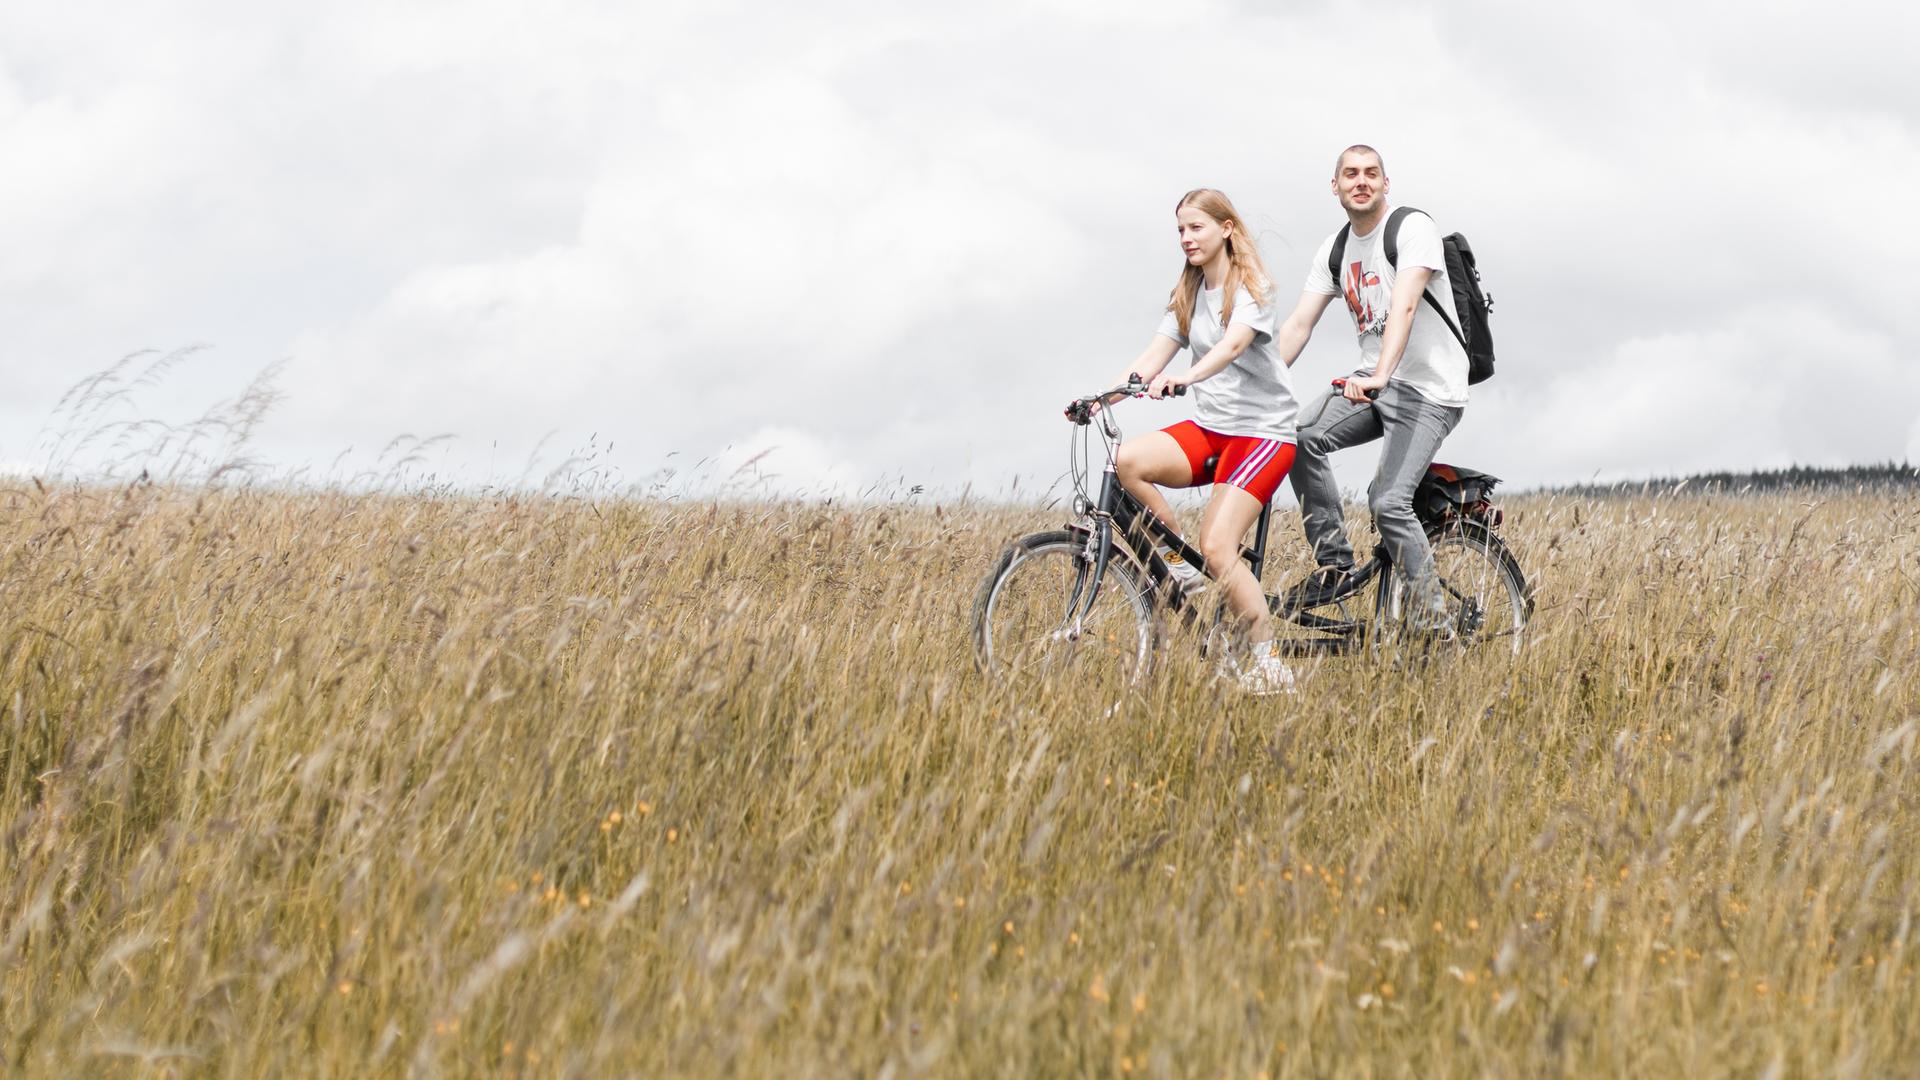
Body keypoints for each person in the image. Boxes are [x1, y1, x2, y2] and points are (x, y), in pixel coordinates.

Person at [1096, 188, 1303, 694]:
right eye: (1181, 230)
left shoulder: (1251, 288)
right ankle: (1176, 566)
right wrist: (1100, 400)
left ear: (1226, 229)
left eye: (1196, 227)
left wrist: (1188, 378)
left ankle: (1270, 664)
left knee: (1216, 546)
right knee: (1127, 462)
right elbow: (1150, 360)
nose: (1187, 238)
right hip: (1213, 429)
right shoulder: (1189, 294)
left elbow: (1233, 346)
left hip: (1262, 434)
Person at [1268, 145, 1469, 628]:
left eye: (1371, 173)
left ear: (1385, 183)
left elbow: (1404, 306)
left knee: (1388, 503)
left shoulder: (1412, 228)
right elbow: (1299, 324)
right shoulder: (1335, 249)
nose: (1361, 181)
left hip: (1429, 390)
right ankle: (1334, 565)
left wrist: (1381, 373)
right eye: (1351, 174)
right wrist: (1259, 383)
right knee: (1300, 437)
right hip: (1373, 382)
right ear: (1335, 186)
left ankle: (1434, 622)